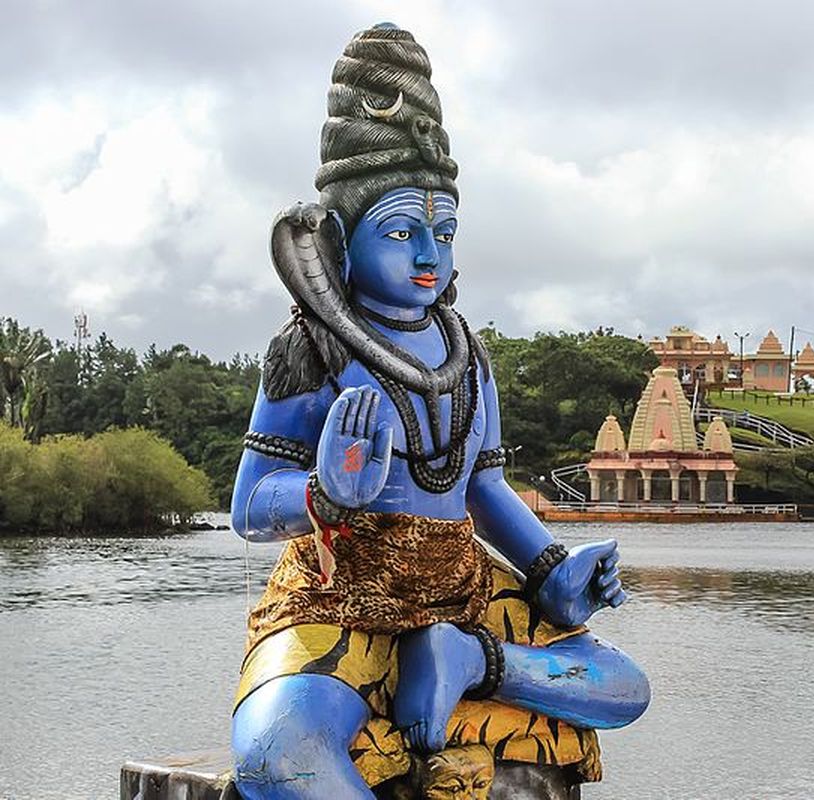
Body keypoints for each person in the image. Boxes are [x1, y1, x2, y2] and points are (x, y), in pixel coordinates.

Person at [227, 24, 649, 800]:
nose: (429, 257)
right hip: (340, 593)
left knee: (622, 687)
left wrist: (554, 572)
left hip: (459, 589)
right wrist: (325, 494)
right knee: (277, 754)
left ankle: (467, 662)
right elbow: (249, 506)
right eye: (401, 232)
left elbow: (481, 491)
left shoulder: (466, 352)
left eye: (444, 232)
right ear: (338, 243)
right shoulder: (310, 350)